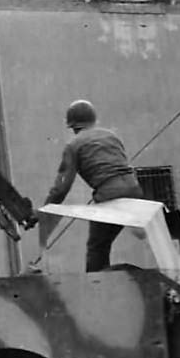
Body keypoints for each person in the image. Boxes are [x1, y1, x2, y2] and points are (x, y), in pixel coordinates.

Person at [41, 99, 144, 272]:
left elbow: (62, 187)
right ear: (93, 120)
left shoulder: (73, 145)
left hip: (109, 196)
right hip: (135, 190)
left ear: (73, 126)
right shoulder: (111, 136)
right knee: (106, 241)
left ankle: (96, 284)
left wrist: (46, 209)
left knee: (97, 247)